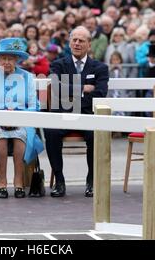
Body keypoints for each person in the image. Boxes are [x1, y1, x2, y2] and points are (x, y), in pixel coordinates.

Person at [0, 38, 44, 199]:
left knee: (21, 135)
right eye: (4, 58)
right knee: (0, 135)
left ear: (17, 60)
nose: (7, 62)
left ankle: (18, 181)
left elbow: (35, 105)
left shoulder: (27, 77)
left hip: (22, 120)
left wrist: (19, 117)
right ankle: (2, 182)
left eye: (11, 58)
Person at [44, 26, 109, 198]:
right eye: (74, 40)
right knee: (51, 132)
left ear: (89, 44)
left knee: (96, 134)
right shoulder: (58, 65)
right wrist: (82, 88)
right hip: (63, 114)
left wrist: (70, 94)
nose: (77, 43)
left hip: (87, 115)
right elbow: (56, 88)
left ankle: (91, 181)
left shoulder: (100, 68)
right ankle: (59, 181)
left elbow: (100, 93)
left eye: (81, 40)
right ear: (69, 42)